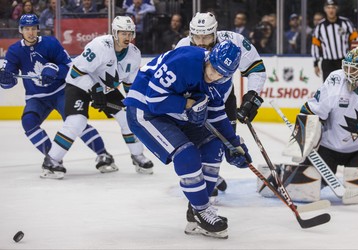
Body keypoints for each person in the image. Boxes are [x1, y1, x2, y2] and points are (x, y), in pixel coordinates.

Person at [125, 40, 252, 239]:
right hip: (145, 110)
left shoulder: (222, 81)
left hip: (176, 112)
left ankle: (197, 215)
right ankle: (202, 211)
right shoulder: (185, 61)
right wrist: (189, 104)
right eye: (213, 70)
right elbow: (154, 100)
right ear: (210, 58)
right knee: (187, 154)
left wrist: (233, 144)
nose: (214, 76)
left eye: (222, 74)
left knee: (214, 145)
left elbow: (217, 114)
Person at [0, 14, 115, 179]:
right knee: (28, 122)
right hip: (36, 97)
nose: (30, 32)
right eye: (27, 29)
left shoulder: (50, 43)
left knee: (77, 121)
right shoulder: (14, 51)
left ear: (38, 29)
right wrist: (5, 79)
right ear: (21, 30)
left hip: (61, 92)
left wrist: (54, 69)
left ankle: (104, 155)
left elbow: (70, 67)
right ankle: (53, 159)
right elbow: (8, 81)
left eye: (33, 28)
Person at [40, 16, 154, 179]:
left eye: (130, 33)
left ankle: (137, 156)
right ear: (115, 33)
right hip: (79, 84)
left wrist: (133, 104)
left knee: (128, 118)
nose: (127, 37)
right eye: (123, 33)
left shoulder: (134, 54)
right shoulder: (99, 46)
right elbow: (75, 72)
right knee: (76, 122)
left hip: (105, 88)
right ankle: (51, 161)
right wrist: (94, 89)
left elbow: (130, 85)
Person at [175, 12, 266, 195]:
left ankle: (211, 175)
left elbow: (256, 68)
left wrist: (252, 98)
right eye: (197, 36)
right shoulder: (183, 46)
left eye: (206, 36)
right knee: (197, 143)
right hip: (194, 100)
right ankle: (207, 180)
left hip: (223, 99)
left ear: (215, 33)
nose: (201, 42)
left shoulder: (234, 41)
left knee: (226, 144)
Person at [281, 47, 358, 204]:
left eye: (355, 69)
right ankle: (281, 175)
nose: (349, 72)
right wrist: (304, 142)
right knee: (304, 187)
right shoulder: (336, 81)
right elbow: (310, 111)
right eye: (347, 67)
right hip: (328, 148)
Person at [311, 0, 358, 82]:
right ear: (325, 9)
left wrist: (355, 59)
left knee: (346, 87)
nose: (331, 10)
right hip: (327, 62)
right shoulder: (320, 26)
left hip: (344, 61)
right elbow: (315, 45)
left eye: (333, 8)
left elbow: (355, 40)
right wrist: (315, 63)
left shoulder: (346, 23)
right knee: (329, 88)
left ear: (336, 9)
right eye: (328, 8)